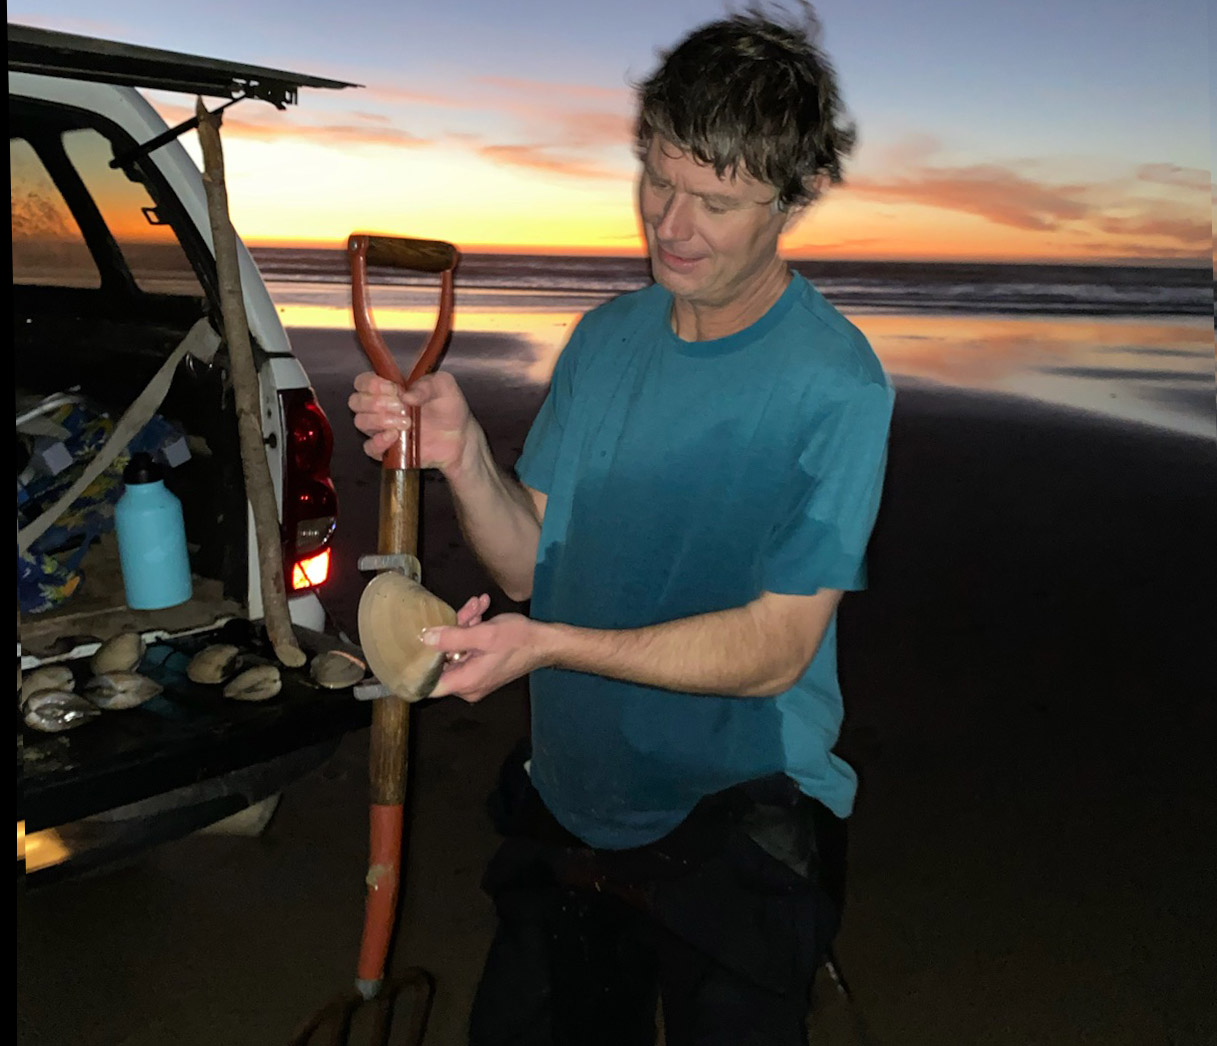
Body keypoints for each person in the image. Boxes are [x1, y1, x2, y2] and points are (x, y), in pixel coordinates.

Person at [349, 5, 893, 1044]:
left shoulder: (834, 385)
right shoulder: (604, 338)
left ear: (790, 198)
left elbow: (774, 649)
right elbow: (528, 564)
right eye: (657, 179)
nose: (670, 226)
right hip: (573, 794)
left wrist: (548, 646)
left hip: (739, 806)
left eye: (715, 202)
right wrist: (465, 455)